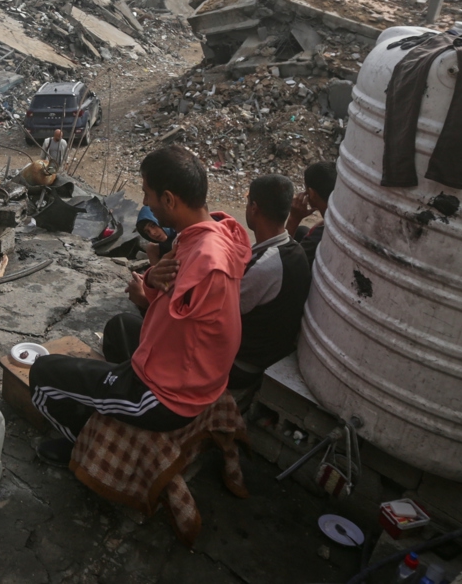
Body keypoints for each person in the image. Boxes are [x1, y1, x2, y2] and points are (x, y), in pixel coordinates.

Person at [28, 145, 251, 465]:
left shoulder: (207, 262)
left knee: (43, 374)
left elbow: (175, 309)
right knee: (119, 325)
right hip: (184, 364)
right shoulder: (210, 234)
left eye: (147, 194)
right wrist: (152, 282)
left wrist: (147, 291)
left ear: (169, 199)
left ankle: (81, 446)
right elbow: (185, 310)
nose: (145, 202)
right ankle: (108, 400)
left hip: (168, 396)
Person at [228, 174, 313, 391]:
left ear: (254, 208)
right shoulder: (294, 250)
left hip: (240, 367)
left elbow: (219, 314)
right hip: (268, 355)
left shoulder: (265, 266)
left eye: (248, 202)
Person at [287, 160, 337, 267]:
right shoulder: (339, 214)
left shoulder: (316, 239)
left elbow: (284, 260)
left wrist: (293, 219)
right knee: (301, 231)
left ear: (312, 193)